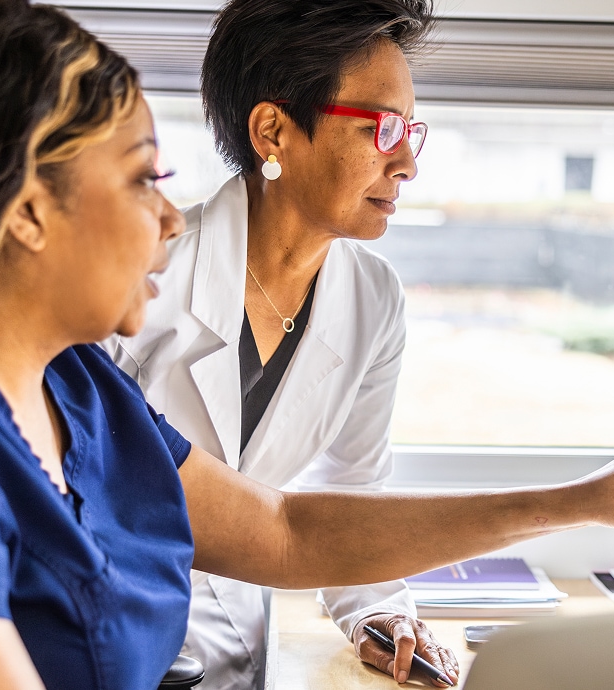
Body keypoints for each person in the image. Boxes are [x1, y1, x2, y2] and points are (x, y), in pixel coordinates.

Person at [0, 2, 614, 689]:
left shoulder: (84, 388)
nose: (167, 219)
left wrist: (587, 498)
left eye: (411, 133)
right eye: (140, 179)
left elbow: (289, 530)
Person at [103, 1, 452, 687]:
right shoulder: (144, 278)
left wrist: (378, 609)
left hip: (245, 650)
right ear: (273, 131)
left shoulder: (374, 298)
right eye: (382, 128)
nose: (407, 163)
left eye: (411, 131)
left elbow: (351, 489)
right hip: (117, 644)